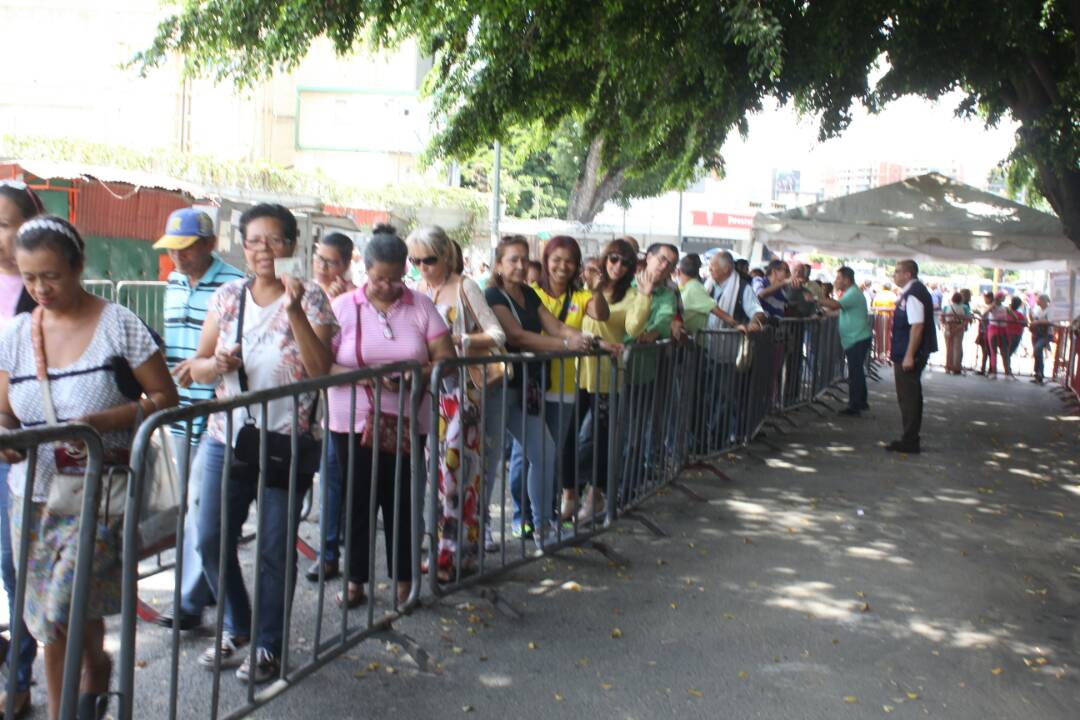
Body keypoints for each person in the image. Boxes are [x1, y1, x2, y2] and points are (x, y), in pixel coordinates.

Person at [0, 216, 178, 719]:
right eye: (29, 277)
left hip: (98, 496)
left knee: (57, 612)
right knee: (62, 608)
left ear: (78, 266)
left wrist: (104, 421)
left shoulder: (118, 323)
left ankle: (60, 711)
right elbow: (5, 410)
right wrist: (8, 439)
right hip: (31, 496)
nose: (40, 288)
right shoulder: (14, 334)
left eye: (51, 276)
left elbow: (166, 396)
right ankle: (95, 668)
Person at [189, 203, 335, 684]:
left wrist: (293, 311)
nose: (263, 250)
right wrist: (218, 366)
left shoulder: (311, 297)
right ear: (243, 246)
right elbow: (199, 364)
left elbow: (319, 369)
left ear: (291, 245)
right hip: (225, 437)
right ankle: (239, 622)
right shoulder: (228, 297)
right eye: (254, 240)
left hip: (284, 442)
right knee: (210, 536)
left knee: (274, 548)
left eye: (274, 240)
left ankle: (268, 646)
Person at [328, 224, 455, 604]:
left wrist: (419, 376)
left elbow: (444, 357)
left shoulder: (420, 305)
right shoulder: (343, 307)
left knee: (401, 499)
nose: (387, 286)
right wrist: (370, 380)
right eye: (380, 278)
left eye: (396, 278)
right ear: (366, 270)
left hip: (406, 419)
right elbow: (321, 364)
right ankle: (355, 581)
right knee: (358, 501)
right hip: (350, 420)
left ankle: (404, 580)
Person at [152, 208, 245, 632]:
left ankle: (189, 599)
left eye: (185, 249)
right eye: (172, 249)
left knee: (197, 507)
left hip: (216, 413)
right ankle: (202, 587)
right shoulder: (173, 283)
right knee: (188, 507)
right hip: (178, 410)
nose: (177, 258)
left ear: (209, 244)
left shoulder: (232, 286)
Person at [483, 236, 596, 550]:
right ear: (499, 264)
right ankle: (480, 528)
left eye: (523, 259)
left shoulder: (530, 294)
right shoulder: (492, 294)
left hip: (526, 389)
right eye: (512, 260)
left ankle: (543, 525)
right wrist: (565, 345)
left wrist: (586, 340)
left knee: (544, 454)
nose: (519, 265)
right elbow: (517, 336)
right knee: (489, 462)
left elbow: (557, 327)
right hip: (498, 389)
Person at [405, 225, 504, 580]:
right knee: (437, 477)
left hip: (462, 395)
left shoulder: (466, 287)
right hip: (430, 397)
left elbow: (497, 333)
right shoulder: (418, 289)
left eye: (428, 260)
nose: (421, 267)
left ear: (445, 255)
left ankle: (454, 553)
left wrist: (458, 341)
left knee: (457, 477)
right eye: (414, 261)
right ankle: (450, 550)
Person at [523, 236, 608, 523]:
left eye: (569, 261)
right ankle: (523, 516)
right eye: (556, 259)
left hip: (564, 387)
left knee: (552, 454)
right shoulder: (531, 293)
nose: (562, 266)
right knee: (524, 456)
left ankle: (544, 515)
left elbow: (601, 314)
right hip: (530, 385)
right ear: (546, 261)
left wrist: (596, 290)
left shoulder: (581, 297)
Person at [0, 181, 43, 717]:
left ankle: (22, 674)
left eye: (4, 224)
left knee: (15, 568)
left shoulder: (42, 289)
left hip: (15, 452)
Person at [578, 241, 652, 519]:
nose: (617, 266)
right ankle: (574, 494)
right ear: (605, 258)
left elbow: (633, 328)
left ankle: (593, 495)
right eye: (613, 258)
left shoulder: (633, 295)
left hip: (607, 377)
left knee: (595, 440)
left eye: (624, 262)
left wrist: (645, 296)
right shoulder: (586, 286)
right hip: (575, 372)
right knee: (576, 438)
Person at [305, 231, 357, 582]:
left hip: (342, 405)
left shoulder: (355, 300)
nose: (323, 267)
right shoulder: (305, 294)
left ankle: (331, 553)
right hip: (306, 404)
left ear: (346, 265)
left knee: (337, 479)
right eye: (319, 259)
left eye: (331, 262)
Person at [886, 259, 936, 454]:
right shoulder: (912, 292)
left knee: (909, 397)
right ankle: (909, 437)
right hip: (906, 350)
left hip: (909, 353)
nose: (894, 275)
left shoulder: (914, 294)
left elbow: (917, 325)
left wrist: (909, 355)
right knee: (908, 396)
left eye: (897, 271)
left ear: (908, 274)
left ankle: (910, 439)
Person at [819, 267, 872, 416]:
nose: (836, 281)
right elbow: (841, 310)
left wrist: (816, 299)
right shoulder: (852, 293)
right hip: (855, 338)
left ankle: (856, 405)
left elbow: (836, 305)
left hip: (857, 338)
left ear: (846, 280)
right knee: (856, 372)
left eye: (838, 278)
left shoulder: (853, 293)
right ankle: (860, 402)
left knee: (855, 373)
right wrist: (825, 313)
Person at [677, 254, 712, 336]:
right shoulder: (684, 286)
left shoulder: (694, 286)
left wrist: (734, 324)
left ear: (678, 271)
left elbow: (714, 308)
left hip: (696, 342)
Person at [940, 292, 967, 375]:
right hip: (959, 328)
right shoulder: (964, 308)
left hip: (948, 328)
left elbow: (942, 318)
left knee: (948, 348)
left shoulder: (946, 307)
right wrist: (961, 326)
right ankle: (956, 368)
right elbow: (967, 319)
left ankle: (948, 366)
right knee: (957, 348)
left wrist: (946, 326)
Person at [986, 291, 1012, 378]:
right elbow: (1014, 317)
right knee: (1005, 352)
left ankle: (994, 372)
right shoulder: (1006, 308)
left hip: (993, 330)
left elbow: (984, 314)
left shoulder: (993, 307)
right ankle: (1007, 373)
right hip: (1002, 330)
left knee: (994, 352)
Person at [1029, 294, 1052, 383]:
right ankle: (1038, 373)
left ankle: (1040, 373)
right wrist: (1030, 313)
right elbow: (1033, 319)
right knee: (1037, 352)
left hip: (1046, 334)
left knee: (1038, 349)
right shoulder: (1038, 310)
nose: (1037, 301)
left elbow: (1049, 321)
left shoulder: (1049, 310)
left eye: (1039, 300)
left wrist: (1038, 322)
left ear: (1043, 301)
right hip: (1037, 333)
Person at [973, 290, 994, 375]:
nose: (984, 299)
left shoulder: (992, 307)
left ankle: (987, 368)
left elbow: (985, 317)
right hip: (984, 330)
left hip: (987, 331)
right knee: (986, 351)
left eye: (986, 298)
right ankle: (985, 368)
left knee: (987, 351)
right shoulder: (988, 306)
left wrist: (978, 313)